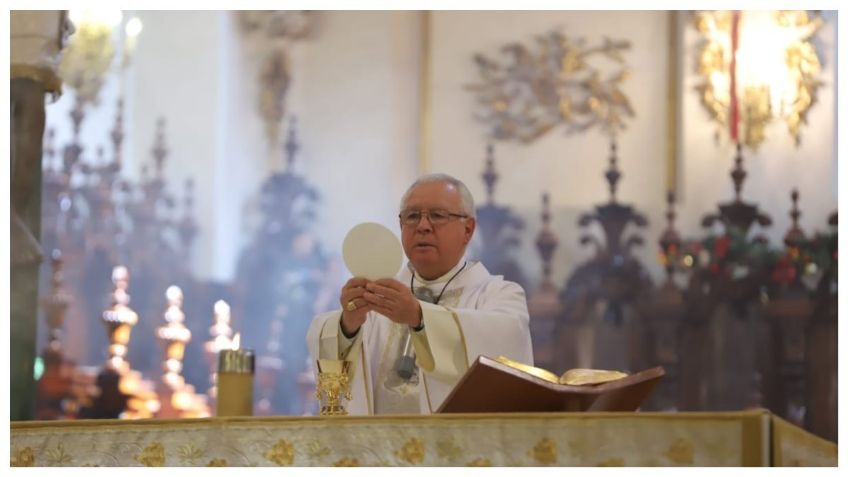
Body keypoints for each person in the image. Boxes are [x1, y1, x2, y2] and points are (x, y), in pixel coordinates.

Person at [306, 173, 533, 414]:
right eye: (412, 216)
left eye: (437, 215)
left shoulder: (500, 295)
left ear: (468, 229)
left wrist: (419, 317)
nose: (423, 226)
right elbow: (329, 344)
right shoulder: (380, 299)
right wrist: (347, 325)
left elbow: (507, 342)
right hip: (382, 447)